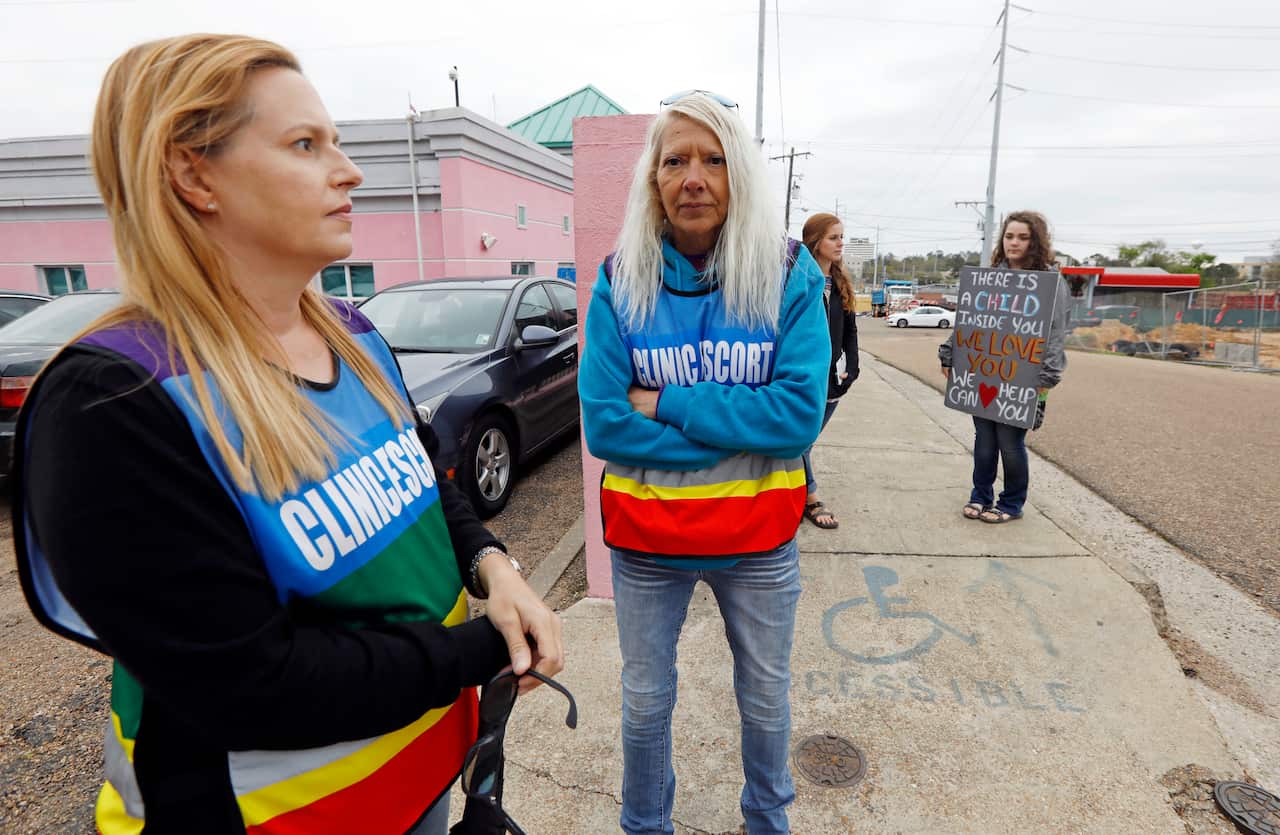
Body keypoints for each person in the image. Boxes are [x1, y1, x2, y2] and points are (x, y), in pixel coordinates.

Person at [11, 35, 562, 835]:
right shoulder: (113, 401)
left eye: (334, 142)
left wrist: (493, 567)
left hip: (416, 787)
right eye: (306, 145)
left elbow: (427, 487)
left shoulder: (350, 331)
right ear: (192, 173)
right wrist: (484, 652)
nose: (350, 171)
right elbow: (257, 682)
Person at [578, 90, 830, 835]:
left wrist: (669, 401)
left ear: (740, 174)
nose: (694, 176)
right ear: (652, 181)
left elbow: (794, 421)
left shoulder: (787, 274)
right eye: (675, 159)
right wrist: (734, 425)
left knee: (764, 695)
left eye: (714, 159)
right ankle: (644, 822)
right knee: (646, 700)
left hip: (758, 543)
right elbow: (606, 424)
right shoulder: (619, 278)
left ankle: (768, 820)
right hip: (648, 544)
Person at [939, 210, 1071, 523]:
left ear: (1035, 241)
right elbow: (970, 321)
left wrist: (1047, 376)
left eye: (1023, 237)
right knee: (983, 441)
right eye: (1009, 236)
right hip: (984, 371)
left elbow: (1056, 330)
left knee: (1010, 444)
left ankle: (1011, 503)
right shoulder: (991, 277)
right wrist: (949, 354)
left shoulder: (1050, 282)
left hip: (1026, 375)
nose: (1014, 243)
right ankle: (980, 495)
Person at [798, 212, 861, 530]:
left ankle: (797, 494)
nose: (840, 243)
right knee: (800, 441)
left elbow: (850, 330)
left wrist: (854, 366)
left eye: (842, 237)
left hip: (832, 382)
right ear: (815, 241)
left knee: (803, 442)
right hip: (802, 379)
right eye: (833, 237)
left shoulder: (841, 283)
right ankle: (810, 498)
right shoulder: (797, 280)